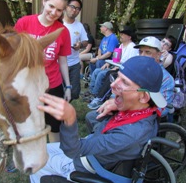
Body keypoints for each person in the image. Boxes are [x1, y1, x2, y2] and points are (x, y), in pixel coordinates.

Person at [29, 56, 166, 183]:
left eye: (124, 82)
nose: (113, 85)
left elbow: (74, 151)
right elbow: (93, 119)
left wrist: (69, 120)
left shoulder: (130, 133)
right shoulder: (142, 112)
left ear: (143, 97)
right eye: (117, 77)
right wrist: (117, 106)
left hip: (90, 164)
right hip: (97, 150)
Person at [14, 0, 71, 142]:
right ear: (44, 1)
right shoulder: (24, 23)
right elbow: (13, 54)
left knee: (53, 126)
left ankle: (54, 158)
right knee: (28, 126)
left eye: (59, 10)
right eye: (51, 6)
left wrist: (68, 86)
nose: (54, 13)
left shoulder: (63, 31)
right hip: (27, 85)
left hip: (52, 85)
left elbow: (63, 61)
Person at [86, 36, 175, 130]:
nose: (142, 55)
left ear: (158, 54)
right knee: (91, 117)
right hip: (121, 111)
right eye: (140, 52)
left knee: (100, 127)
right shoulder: (132, 70)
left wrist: (128, 107)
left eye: (148, 52)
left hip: (141, 121)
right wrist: (114, 101)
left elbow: (164, 108)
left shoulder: (166, 79)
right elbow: (117, 92)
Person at [83, 26, 138, 109]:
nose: (121, 36)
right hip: (116, 66)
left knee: (102, 74)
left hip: (123, 71)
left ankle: (97, 97)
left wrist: (116, 67)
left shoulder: (132, 48)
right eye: (121, 34)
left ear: (129, 37)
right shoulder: (121, 46)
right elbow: (116, 59)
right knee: (97, 71)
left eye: (123, 34)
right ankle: (92, 91)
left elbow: (131, 64)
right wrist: (108, 63)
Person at [63, 0, 88, 101]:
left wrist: (80, 45)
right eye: (72, 7)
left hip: (74, 64)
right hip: (58, 64)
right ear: (66, 6)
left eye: (77, 9)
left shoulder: (79, 25)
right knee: (58, 91)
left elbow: (86, 42)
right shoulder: (58, 23)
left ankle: (65, 110)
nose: (74, 10)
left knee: (74, 92)